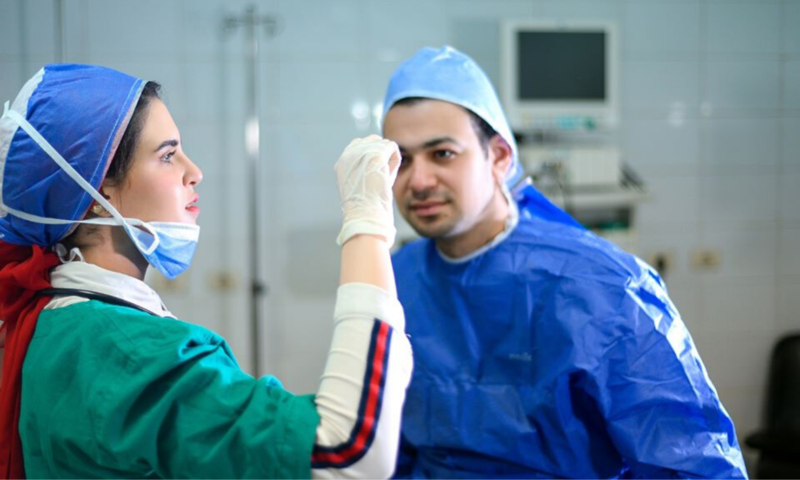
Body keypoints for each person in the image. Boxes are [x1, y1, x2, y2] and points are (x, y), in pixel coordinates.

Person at [0, 64, 412, 478]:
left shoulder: (57, 319)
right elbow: (347, 453)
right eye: (167, 155)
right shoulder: (132, 354)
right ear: (94, 192)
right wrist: (367, 221)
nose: (194, 172)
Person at [382, 46, 748, 479]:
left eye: (442, 153)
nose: (418, 180)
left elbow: (690, 465)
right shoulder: (394, 278)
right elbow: (385, 447)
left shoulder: (603, 286)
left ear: (498, 156)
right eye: (400, 159)